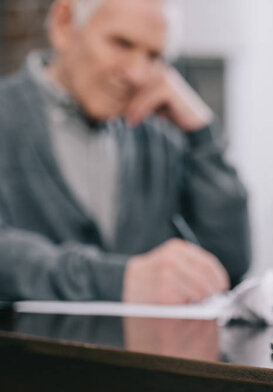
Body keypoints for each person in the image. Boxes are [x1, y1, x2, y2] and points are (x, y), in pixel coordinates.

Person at [0, 0, 251, 303]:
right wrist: (118, 280)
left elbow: (230, 264)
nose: (138, 74)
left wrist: (202, 133)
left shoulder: (157, 133)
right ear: (64, 24)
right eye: (121, 43)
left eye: (154, 56)